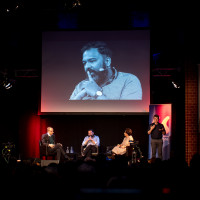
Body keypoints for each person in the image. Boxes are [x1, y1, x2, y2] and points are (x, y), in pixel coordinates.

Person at [69, 41, 142, 100]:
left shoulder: (129, 80)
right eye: (84, 63)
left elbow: (128, 112)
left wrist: (97, 93)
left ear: (107, 61)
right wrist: (80, 95)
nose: (86, 66)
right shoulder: (80, 86)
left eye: (92, 61)